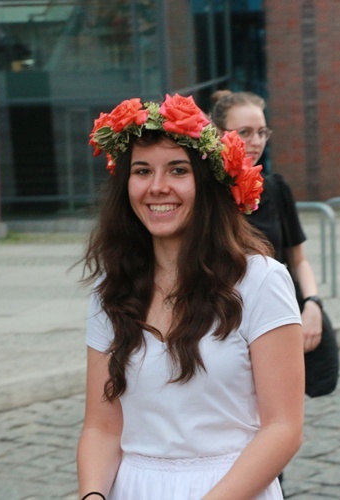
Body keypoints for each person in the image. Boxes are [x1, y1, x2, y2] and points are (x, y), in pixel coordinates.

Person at [77, 94, 305, 499]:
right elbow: (101, 427)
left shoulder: (260, 280)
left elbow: (283, 427)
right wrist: (92, 495)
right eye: (142, 170)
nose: (157, 187)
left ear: (207, 182)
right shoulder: (110, 291)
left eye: (178, 170)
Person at [209, 90, 329, 364]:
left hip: (272, 320)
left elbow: (297, 259)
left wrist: (312, 302)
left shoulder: (275, 188)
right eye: (245, 132)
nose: (256, 142)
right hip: (221, 328)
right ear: (217, 132)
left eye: (262, 132)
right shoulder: (203, 192)